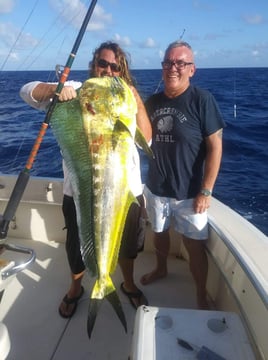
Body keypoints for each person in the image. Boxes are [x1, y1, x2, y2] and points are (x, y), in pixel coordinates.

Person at [20, 41, 152, 317]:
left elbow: (147, 140)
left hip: (125, 190)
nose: (107, 70)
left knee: (127, 245)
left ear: (122, 71)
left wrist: (135, 98)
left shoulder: (127, 96)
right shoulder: (80, 90)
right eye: (102, 63)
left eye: (115, 67)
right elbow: (27, 92)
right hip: (80, 190)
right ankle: (76, 288)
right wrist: (57, 90)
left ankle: (126, 284)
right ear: (93, 65)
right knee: (76, 246)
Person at [140, 41, 225, 309]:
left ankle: (200, 292)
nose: (173, 68)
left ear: (192, 69)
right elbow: (138, 135)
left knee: (194, 245)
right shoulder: (152, 102)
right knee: (159, 233)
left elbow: (215, 146)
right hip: (155, 188)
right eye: (168, 62)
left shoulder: (202, 100)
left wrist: (206, 189)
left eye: (180, 63)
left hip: (190, 193)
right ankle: (161, 268)